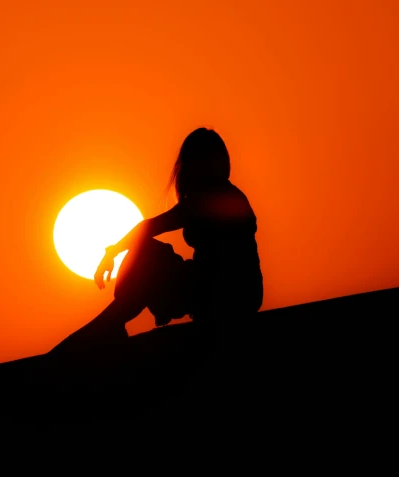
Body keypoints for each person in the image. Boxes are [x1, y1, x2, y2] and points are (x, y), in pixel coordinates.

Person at [50, 127, 263, 355]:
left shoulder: (214, 197)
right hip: (235, 292)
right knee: (148, 255)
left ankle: (116, 320)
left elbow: (149, 227)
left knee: (146, 252)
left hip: (225, 293)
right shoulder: (223, 195)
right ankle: (117, 318)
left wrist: (111, 253)